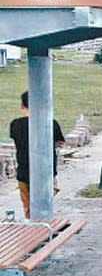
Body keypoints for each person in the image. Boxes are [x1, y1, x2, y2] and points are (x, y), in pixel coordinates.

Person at [9, 91, 65, 220]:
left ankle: (32, 227)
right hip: (47, 171)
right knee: (45, 204)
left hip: (23, 172)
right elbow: (60, 143)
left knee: (27, 206)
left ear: (22, 106)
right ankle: (44, 228)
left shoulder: (15, 124)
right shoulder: (52, 123)